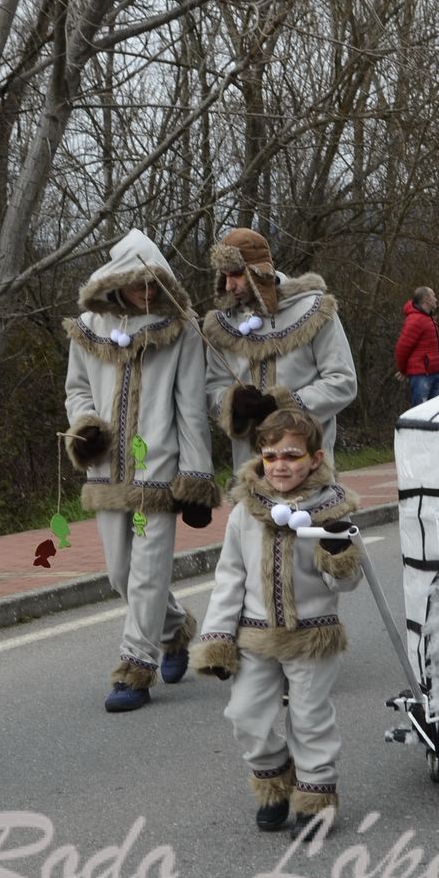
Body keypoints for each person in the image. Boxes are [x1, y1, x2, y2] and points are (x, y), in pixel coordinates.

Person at [63, 229, 221, 712]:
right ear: (118, 282)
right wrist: (83, 426)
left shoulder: (181, 329)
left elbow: (191, 408)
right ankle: (174, 629)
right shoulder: (89, 326)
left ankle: (135, 668)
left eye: (155, 284)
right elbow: (76, 391)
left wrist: (196, 478)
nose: (148, 293)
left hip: (157, 475)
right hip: (107, 474)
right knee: (119, 575)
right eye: (139, 285)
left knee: (147, 572)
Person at [188, 407, 362, 831]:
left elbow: (347, 583)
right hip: (255, 636)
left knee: (309, 718)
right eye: (271, 456)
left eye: (291, 455)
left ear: (315, 459)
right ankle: (273, 778)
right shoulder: (245, 512)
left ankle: (316, 796)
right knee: (245, 715)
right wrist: (217, 638)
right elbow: (229, 577)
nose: (280, 465)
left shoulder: (331, 509)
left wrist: (338, 553)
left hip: (312, 636)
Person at [203, 227, 359, 470]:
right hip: (249, 469)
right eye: (224, 276)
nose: (229, 285)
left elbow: (343, 382)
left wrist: (285, 404)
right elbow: (212, 389)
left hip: (306, 465)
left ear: (258, 271)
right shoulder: (222, 325)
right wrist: (233, 402)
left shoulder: (315, 311)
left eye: (236, 274)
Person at [394, 286, 439, 405]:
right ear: (426, 299)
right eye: (433, 296)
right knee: (419, 414)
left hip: (435, 373)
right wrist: (403, 369)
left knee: (436, 412)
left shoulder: (428, 318)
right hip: (422, 375)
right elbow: (402, 348)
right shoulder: (416, 320)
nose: (436, 299)